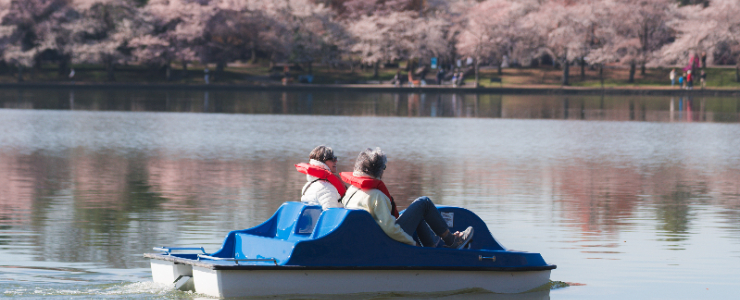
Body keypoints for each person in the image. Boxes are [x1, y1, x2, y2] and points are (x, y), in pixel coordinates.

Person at [341, 148, 473, 248]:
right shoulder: (376, 196)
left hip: (368, 238)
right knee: (424, 203)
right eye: (384, 168)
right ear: (378, 170)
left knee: (418, 214)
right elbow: (390, 229)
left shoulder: (352, 190)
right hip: (386, 241)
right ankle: (452, 241)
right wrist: (413, 243)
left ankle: (433, 247)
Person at [296, 145, 345, 210]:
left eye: (335, 158)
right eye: (332, 159)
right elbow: (330, 215)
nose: (336, 161)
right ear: (322, 163)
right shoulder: (327, 188)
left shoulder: (308, 185)